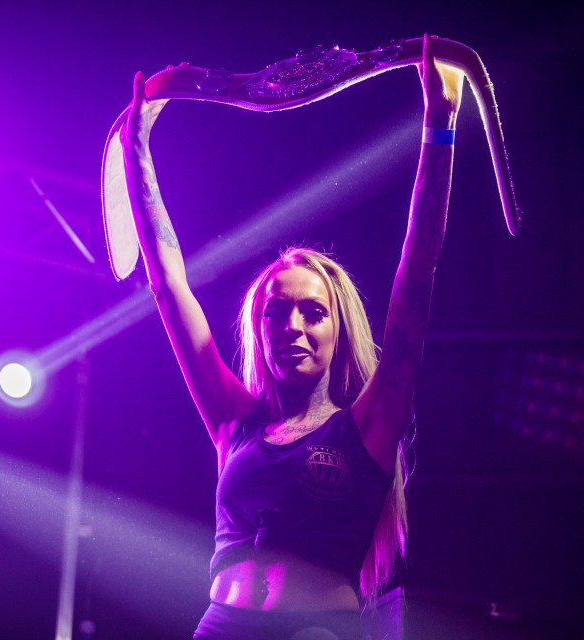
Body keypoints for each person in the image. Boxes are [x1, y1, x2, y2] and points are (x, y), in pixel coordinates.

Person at [120, 34, 462, 640]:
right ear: (259, 328)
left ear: (339, 327)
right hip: (220, 625)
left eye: (313, 312)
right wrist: (137, 147)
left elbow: (418, 275)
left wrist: (439, 126)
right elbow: (170, 287)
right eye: (277, 313)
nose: (293, 327)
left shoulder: (369, 425)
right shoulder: (235, 421)